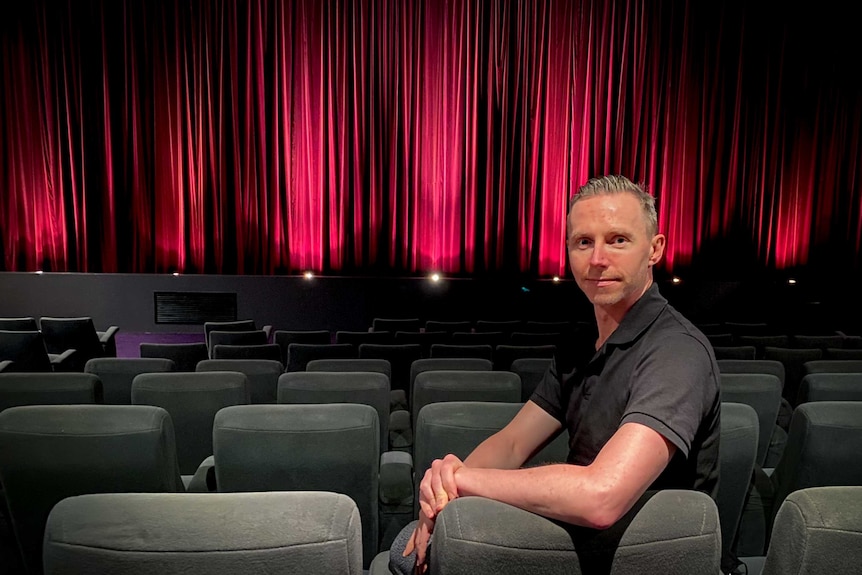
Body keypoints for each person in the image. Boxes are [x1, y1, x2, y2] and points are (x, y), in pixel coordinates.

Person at [392, 175, 721, 574]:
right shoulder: (580, 344)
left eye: (618, 240)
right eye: (584, 242)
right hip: (583, 540)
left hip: (645, 553)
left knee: (428, 552)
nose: (597, 258)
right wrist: (447, 491)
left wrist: (462, 482)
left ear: (654, 250)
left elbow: (602, 497)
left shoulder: (676, 351)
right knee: (418, 545)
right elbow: (513, 444)